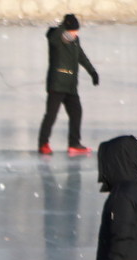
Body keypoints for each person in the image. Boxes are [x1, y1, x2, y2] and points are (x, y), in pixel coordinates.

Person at [37, 14, 97, 155]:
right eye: (73, 31)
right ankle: (43, 144)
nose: (76, 33)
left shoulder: (75, 41)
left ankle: (74, 144)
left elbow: (81, 56)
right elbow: (51, 36)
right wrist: (63, 26)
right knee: (51, 115)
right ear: (67, 29)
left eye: (77, 31)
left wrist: (92, 72)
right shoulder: (56, 38)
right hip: (57, 84)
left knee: (76, 113)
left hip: (70, 86)